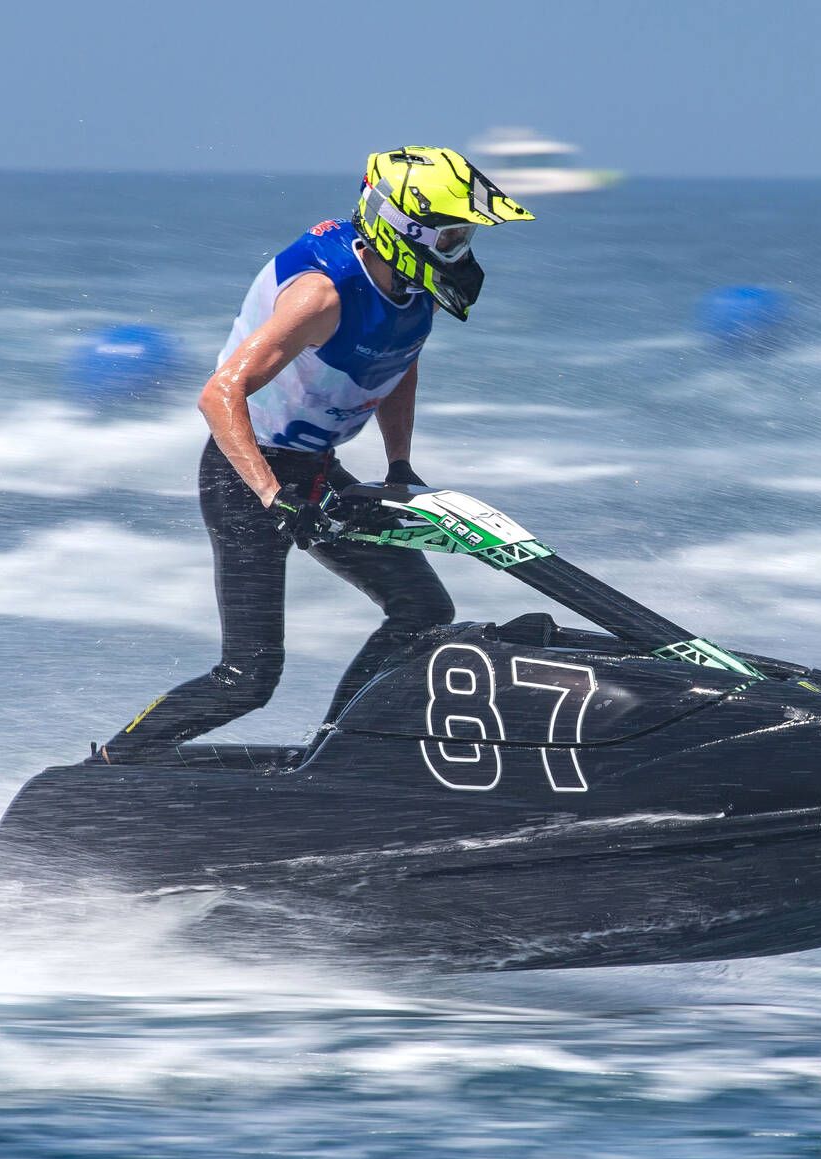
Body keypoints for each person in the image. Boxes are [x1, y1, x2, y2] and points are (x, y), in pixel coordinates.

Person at [93, 147, 533, 763]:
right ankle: (110, 765)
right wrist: (274, 497)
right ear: (405, 230)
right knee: (248, 677)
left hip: (316, 472)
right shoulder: (321, 297)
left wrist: (399, 465)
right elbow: (218, 395)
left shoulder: (415, 289)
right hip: (245, 476)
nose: (461, 251)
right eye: (453, 236)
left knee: (422, 609)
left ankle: (332, 756)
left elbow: (398, 362)